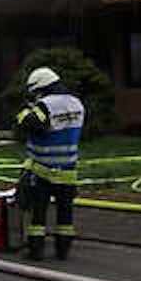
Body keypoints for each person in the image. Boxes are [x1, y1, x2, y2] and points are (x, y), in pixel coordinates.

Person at [15, 66, 85, 261]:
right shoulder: (76, 103)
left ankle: (36, 249)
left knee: (38, 213)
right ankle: (63, 249)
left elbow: (30, 124)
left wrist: (23, 112)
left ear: (41, 88)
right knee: (65, 215)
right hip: (68, 169)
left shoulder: (46, 105)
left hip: (44, 169)